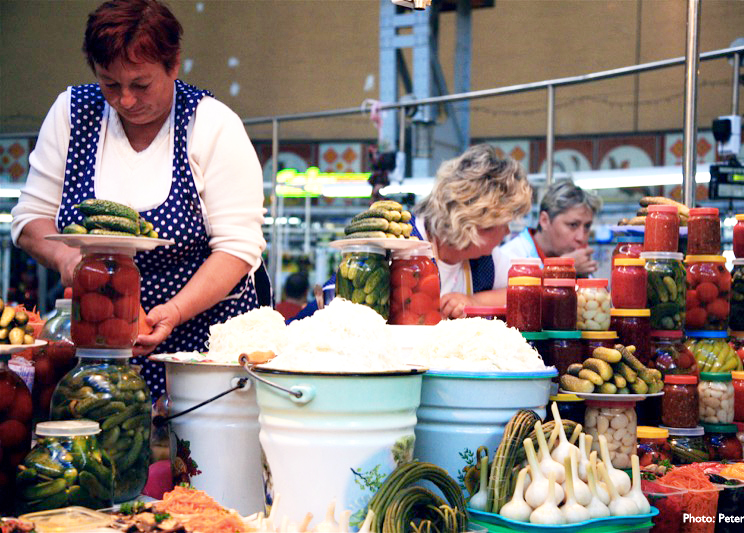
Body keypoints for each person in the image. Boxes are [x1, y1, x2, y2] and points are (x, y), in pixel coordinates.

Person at [10, 0, 267, 399]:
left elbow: (238, 248)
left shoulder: (212, 125)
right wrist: (67, 260)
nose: (125, 100)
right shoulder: (72, 115)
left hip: (201, 350)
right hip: (98, 347)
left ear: (174, 64)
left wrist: (175, 311)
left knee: (188, 456)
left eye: (141, 84)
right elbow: (30, 219)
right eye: (110, 84)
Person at [293, 143, 532, 321]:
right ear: (476, 222)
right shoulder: (397, 247)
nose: (508, 231)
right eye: (504, 222)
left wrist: (473, 301)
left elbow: (529, 292)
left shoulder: (484, 262)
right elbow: (320, 316)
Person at [501, 179, 602, 276]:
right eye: (573, 225)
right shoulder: (509, 259)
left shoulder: (579, 265)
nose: (581, 237)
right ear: (545, 221)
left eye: (587, 226)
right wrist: (562, 270)